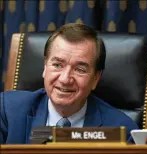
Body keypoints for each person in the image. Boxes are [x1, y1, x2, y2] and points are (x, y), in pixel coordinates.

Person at [0, 23, 138, 144]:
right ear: (45, 67)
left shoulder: (121, 132)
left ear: (96, 78)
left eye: (80, 69)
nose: (65, 79)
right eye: (58, 65)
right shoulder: (7, 111)